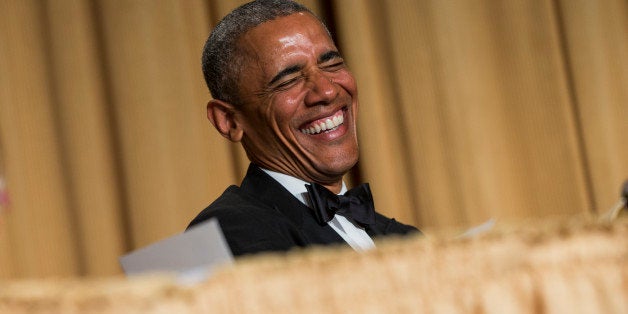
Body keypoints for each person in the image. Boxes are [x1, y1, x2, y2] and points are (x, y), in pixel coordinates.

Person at [188, 0, 418, 256]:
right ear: (229, 121)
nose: (328, 90)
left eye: (331, 64)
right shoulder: (224, 237)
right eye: (289, 79)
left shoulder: (405, 239)